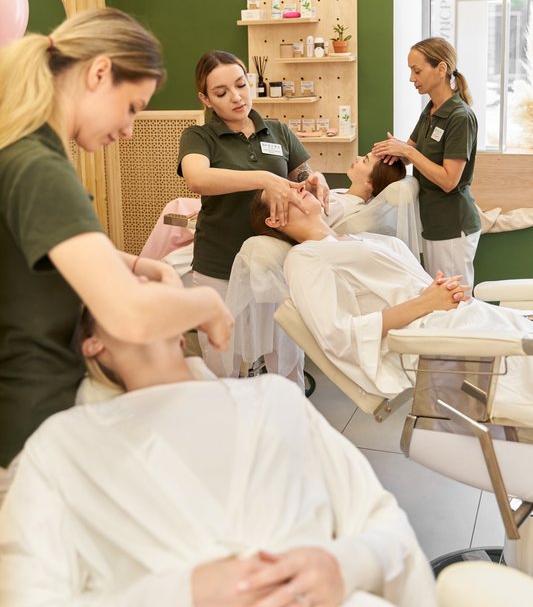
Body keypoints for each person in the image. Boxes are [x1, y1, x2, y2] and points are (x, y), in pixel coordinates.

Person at [0, 309, 438, 607]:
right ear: (92, 343)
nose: (144, 287)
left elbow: (385, 523)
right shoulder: (65, 443)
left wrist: (342, 565)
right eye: (126, 287)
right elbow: (29, 594)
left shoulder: (275, 398)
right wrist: (181, 593)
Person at [0, 8, 233, 497]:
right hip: (28, 428)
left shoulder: (26, 153)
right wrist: (207, 304)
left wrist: (140, 264)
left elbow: (53, 246)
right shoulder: (38, 166)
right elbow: (129, 317)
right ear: (99, 72)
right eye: (131, 107)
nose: (129, 129)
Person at [250, 189, 533, 424]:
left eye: (295, 185)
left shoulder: (357, 238)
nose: (298, 188)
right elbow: (337, 336)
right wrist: (426, 302)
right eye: (285, 193)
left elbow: (406, 287)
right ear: (274, 219)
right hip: (430, 335)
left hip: (458, 317)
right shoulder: (304, 258)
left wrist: (441, 292)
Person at [178, 49, 329, 379]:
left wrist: (313, 179)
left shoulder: (278, 131)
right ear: (205, 99)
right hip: (220, 264)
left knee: (286, 358)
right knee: (222, 362)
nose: (236, 97)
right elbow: (197, 178)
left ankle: (287, 411)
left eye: (240, 85)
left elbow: (301, 173)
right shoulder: (199, 137)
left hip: (274, 263)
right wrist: (264, 178)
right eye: (221, 92)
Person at [372, 37, 481, 286]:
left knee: (455, 301)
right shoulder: (431, 110)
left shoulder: (460, 117)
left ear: (441, 69)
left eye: (417, 70)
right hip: (431, 223)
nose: (412, 78)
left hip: (452, 225)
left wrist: (408, 153)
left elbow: (449, 180)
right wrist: (393, 151)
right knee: (439, 298)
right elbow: (411, 149)